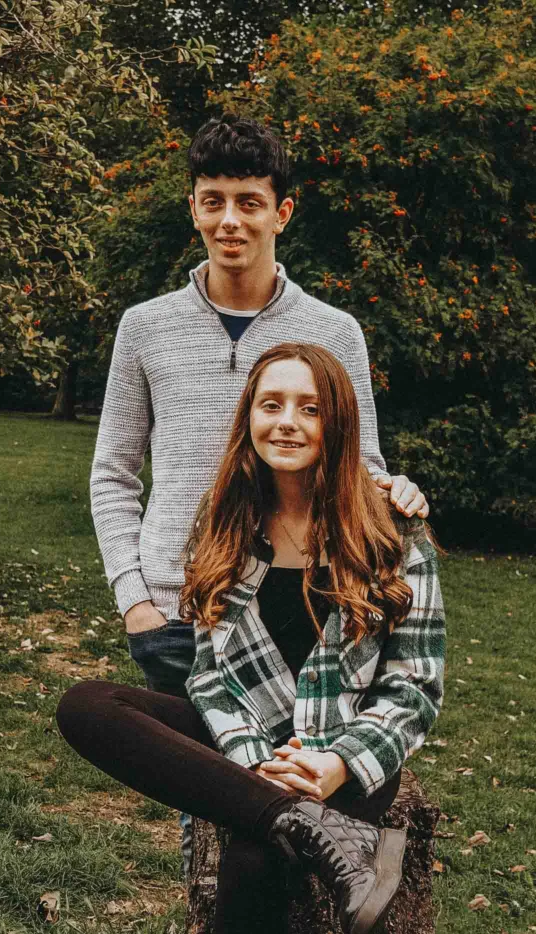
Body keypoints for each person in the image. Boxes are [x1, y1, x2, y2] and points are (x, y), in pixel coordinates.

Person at [58, 343, 445, 934]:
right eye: (271, 404)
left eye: (309, 407)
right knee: (88, 704)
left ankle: (301, 825)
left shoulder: (389, 531)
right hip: (254, 741)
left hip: (348, 752)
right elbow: (209, 675)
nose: (287, 422)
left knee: (255, 864)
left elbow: (414, 689)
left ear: (339, 424)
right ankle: (305, 826)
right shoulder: (225, 522)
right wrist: (255, 765)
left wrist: (333, 764)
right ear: (250, 418)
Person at [90, 112, 429, 704]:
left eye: (249, 202)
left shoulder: (335, 332)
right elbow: (112, 475)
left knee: (278, 785)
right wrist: (134, 601)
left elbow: (360, 465)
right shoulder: (144, 327)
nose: (230, 220)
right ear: (193, 208)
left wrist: (395, 489)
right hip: (175, 607)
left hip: (297, 601)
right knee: (190, 784)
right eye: (213, 201)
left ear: (282, 213)